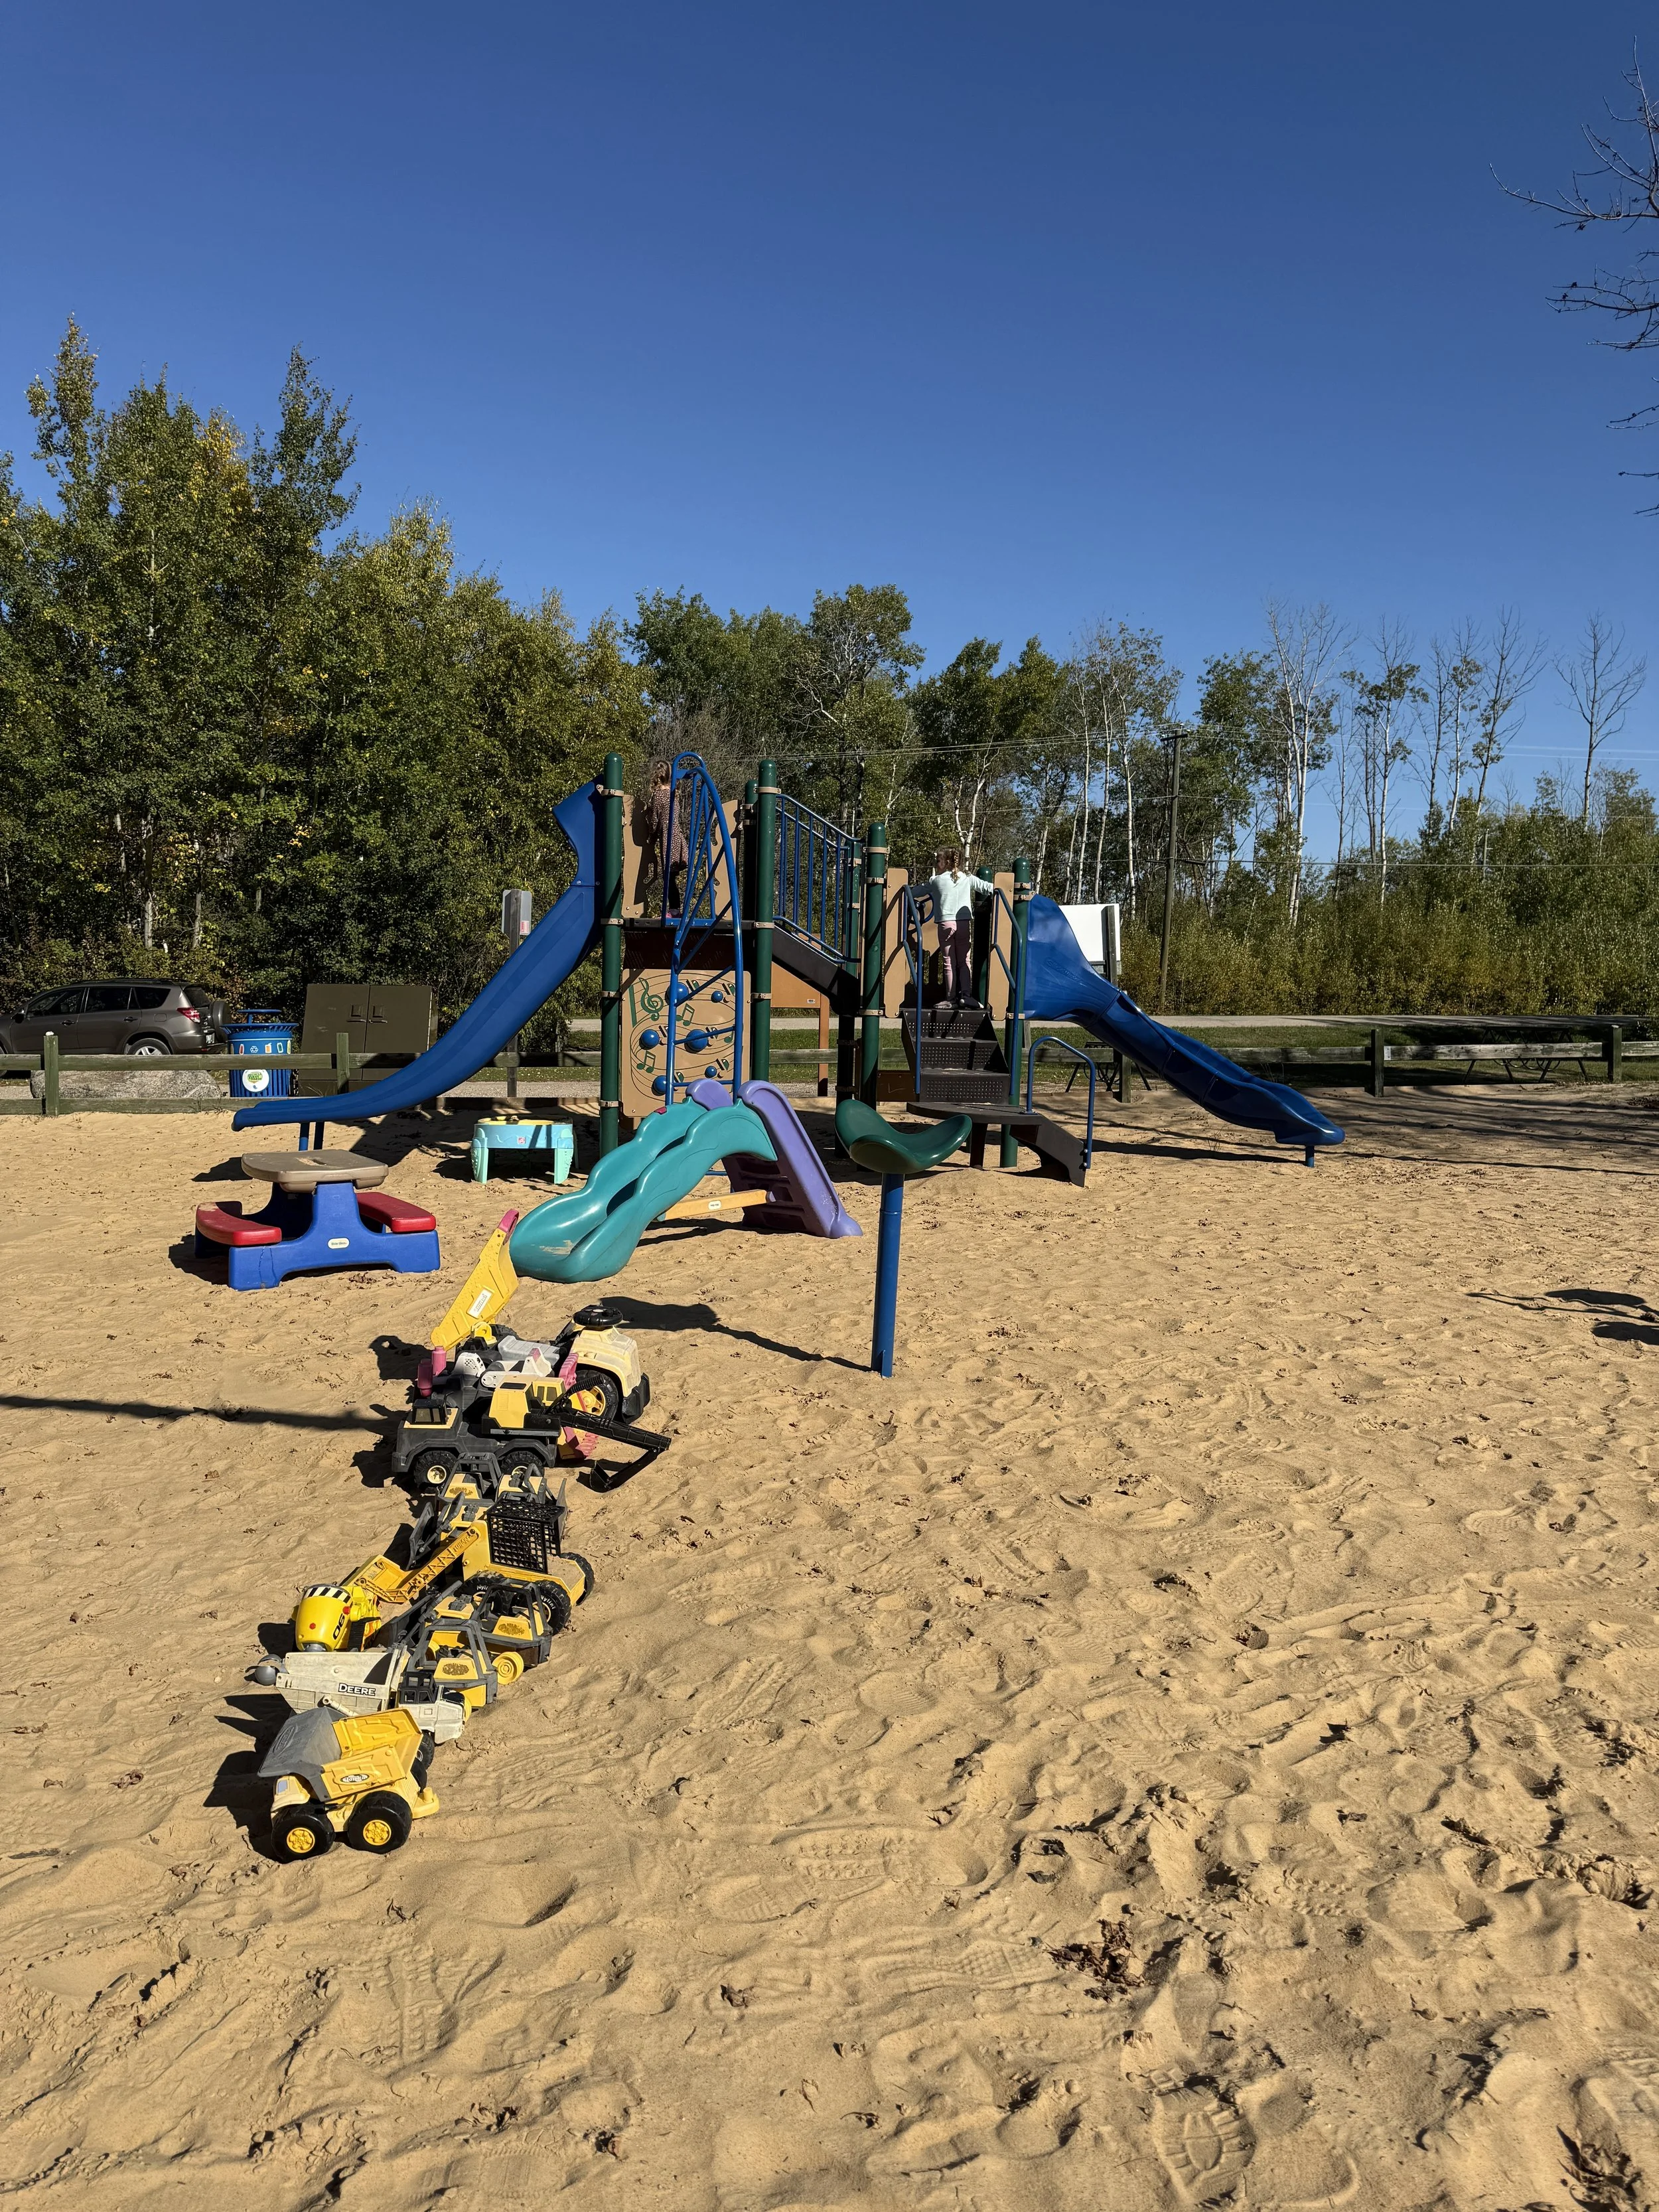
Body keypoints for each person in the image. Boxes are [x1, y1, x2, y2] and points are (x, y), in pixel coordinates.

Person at [926, 849, 995, 1003]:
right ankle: (966, 996)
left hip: (945, 924)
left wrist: (903, 889)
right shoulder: (967, 878)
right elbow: (987, 887)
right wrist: (1012, 888)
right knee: (965, 962)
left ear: (945, 862)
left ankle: (950, 998)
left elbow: (917, 891)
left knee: (949, 963)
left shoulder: (936, 880)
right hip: (963, 923)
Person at [646, 761, 688, 914]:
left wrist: (651, 836)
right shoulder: (673, 793)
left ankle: (675, 909)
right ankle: (676, 908)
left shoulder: (659, 795)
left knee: (668, 877)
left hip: (668, 839)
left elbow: (655, 820)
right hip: (677, 837)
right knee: (671, 877)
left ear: (656, 777)